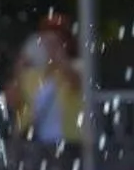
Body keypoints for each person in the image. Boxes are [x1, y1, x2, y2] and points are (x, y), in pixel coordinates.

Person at [11, 14, 83, 149]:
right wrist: (20, 66)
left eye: (57, 40)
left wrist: (58, 55)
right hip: (36, 144)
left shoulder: (78, 67)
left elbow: (76, 82)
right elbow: (13, 100)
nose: (49, 46)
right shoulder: (32, 74)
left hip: (68, 143)